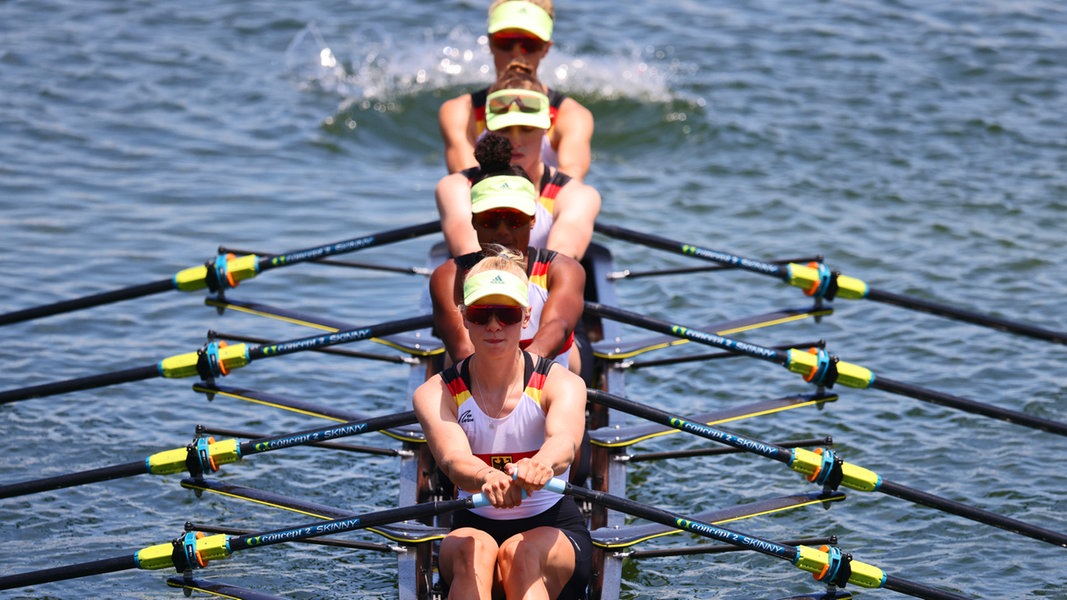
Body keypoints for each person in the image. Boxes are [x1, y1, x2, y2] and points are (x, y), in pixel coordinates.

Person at [413, 253, 592, 600]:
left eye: (507, 314)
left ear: (526, 318)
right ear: (464, 317)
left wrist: (539, 465)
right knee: (473, 552)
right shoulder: (435, 393)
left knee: (519, 555)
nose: (494, 326)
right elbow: (452, 460)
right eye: (481, 315)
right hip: (472, 526)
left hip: (552, 525)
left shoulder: (562, 383)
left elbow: (565, 442)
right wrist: (485, 477)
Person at [431, 133, 586, 374]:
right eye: (490, 220)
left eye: (514, 220)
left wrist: (518, 380)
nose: (502, 232)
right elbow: (463, 350)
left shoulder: (562, 270)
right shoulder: (449, 276)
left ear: (532, 220)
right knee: (453, 365)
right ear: (473, 221)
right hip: (477, 383)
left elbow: (556, 327)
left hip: (546, 386)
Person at [436, 61, 601, 262]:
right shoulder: (456, 187)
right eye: (505, 129)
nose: (515, 141)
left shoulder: (577, 195)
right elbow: (469, 254)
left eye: (527, 129)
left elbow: (560, 261)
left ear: (547, 126)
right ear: (487, 127)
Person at [438, 0, 594, 181]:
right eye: (505, 42)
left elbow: (570, 185)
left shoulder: (572, 116)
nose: (517, 54)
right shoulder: (460, 112)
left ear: (546, 48)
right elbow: (467, 186)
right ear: (490, 43)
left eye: (530, 44)